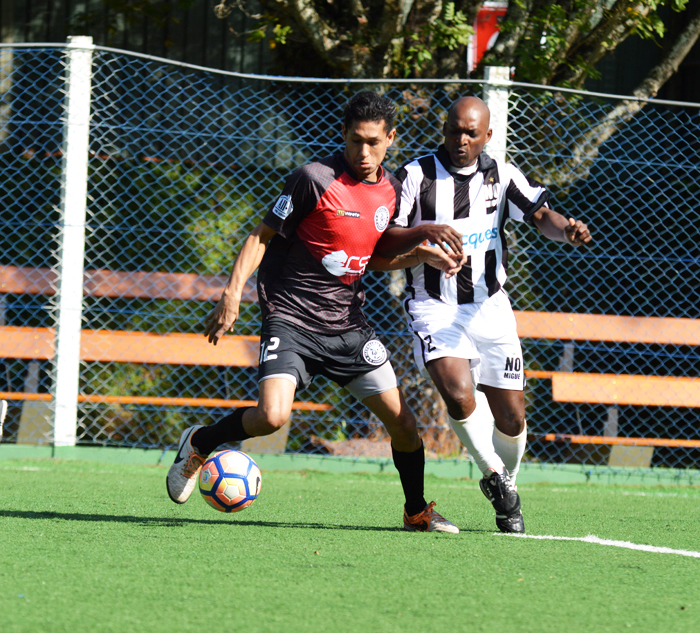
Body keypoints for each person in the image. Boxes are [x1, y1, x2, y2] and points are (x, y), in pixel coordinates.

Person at [167, 91, 466, 533]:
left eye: (372, 143)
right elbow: (260, 236)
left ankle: (417, 512)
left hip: (347, 326)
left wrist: (421, 255)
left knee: (404, 424)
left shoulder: (390, 189)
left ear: (390, 140)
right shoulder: (313, 178)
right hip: (292, 318)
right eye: (354, 142)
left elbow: (371, 256)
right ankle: (198, 442)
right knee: (272, 417)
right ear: (343, 136)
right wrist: (232, 293)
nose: (363, 153)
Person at [375, 96, 592, 533]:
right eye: (454, 130)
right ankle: (495, 477)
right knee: (457, 393)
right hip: (434, 306)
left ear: (487, 136)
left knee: (511, 417)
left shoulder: (502, 174)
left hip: (490, 307)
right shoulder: (415, 176)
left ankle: (504, 487)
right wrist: (422, 241)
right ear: (444, 130)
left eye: (471, 133)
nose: (461, 139)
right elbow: (384, 240)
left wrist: (565, 229)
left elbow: (541, 213)